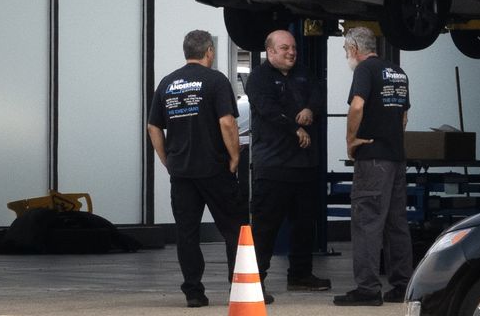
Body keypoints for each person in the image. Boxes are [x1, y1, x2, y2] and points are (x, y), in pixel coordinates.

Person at [148, 29, 245, 308]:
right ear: (209, 52)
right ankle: (238, 289)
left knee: (186, 233)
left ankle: (194, 292)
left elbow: (153, 126)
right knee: (234, 229)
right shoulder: (215, 80)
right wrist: (234, 157)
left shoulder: (167, 83)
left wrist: (167, 159)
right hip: (214, 168)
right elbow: (227, 122)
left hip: (181, 173)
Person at [246, 29, 333, 293]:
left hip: (304, 166)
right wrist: (295, 128)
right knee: (265, 228)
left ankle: (300, 275)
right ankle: (255, 280)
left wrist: (310, 109)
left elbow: (318, 95)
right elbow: (269, 111)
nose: (291, 52)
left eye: (293, 48)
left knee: (305, 225)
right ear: (270, 51)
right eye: (284, 48)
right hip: (273, 166)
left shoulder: (304, 73)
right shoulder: (258, 79)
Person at [334, 26, 411, 307]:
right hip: (396, 157)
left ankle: (367, 288)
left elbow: (356, 107)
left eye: (345, 50)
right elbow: (403, 115)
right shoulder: (397, 72)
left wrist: (351, 140)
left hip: (373, 158)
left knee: (367, 222)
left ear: (355, 48)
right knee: (396, 223)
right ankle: (402, 285)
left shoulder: (364, 71)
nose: (346, 56)